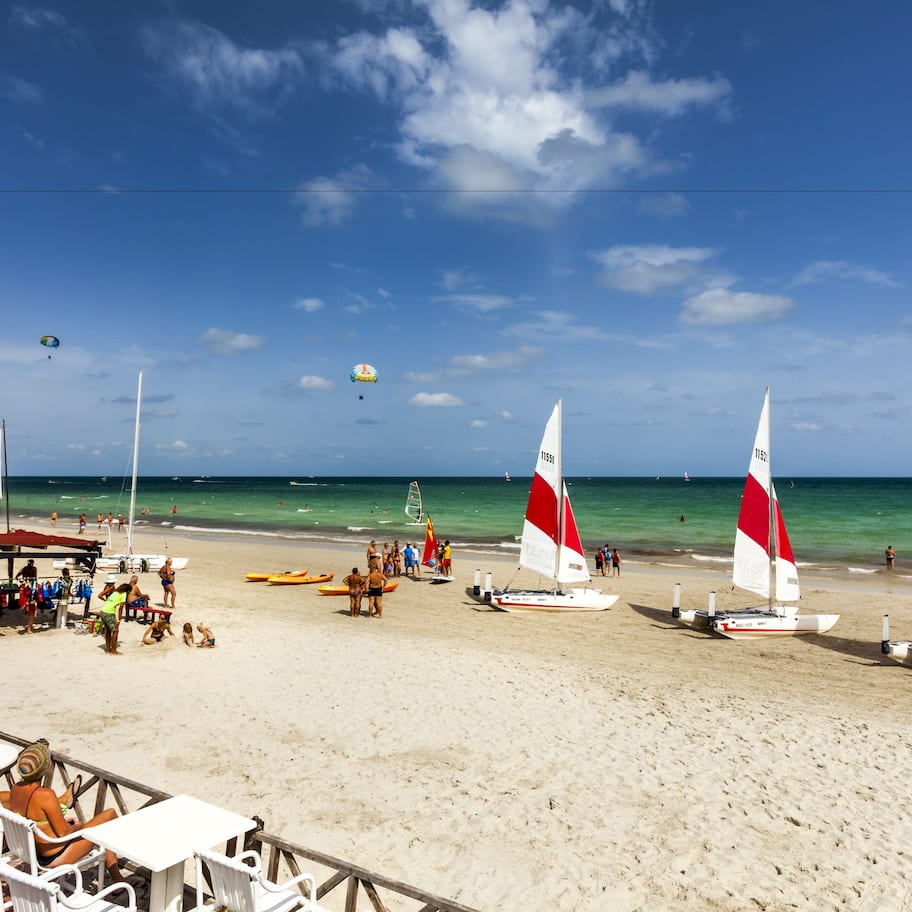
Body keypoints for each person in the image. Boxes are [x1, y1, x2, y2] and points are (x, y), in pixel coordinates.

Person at [4, 740, 131, 883]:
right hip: (57, 856)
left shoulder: (15, 790)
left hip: (33, 853)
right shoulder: (45, 795)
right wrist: (78, 826)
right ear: (45, 769)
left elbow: (39, 820)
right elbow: (63, 833)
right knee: (110, 815)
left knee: (94, 822)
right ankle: (118, 879)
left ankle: (65, 801)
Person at [99, 583, 129, 655]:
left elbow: (100, 595)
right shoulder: (124, 594)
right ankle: (113, 650)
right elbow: (121, 607)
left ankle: (108, 649)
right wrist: (119, 619)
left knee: (108, 631)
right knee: (115, 631)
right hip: (109, 613)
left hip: (102, 611)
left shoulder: (115, 592)